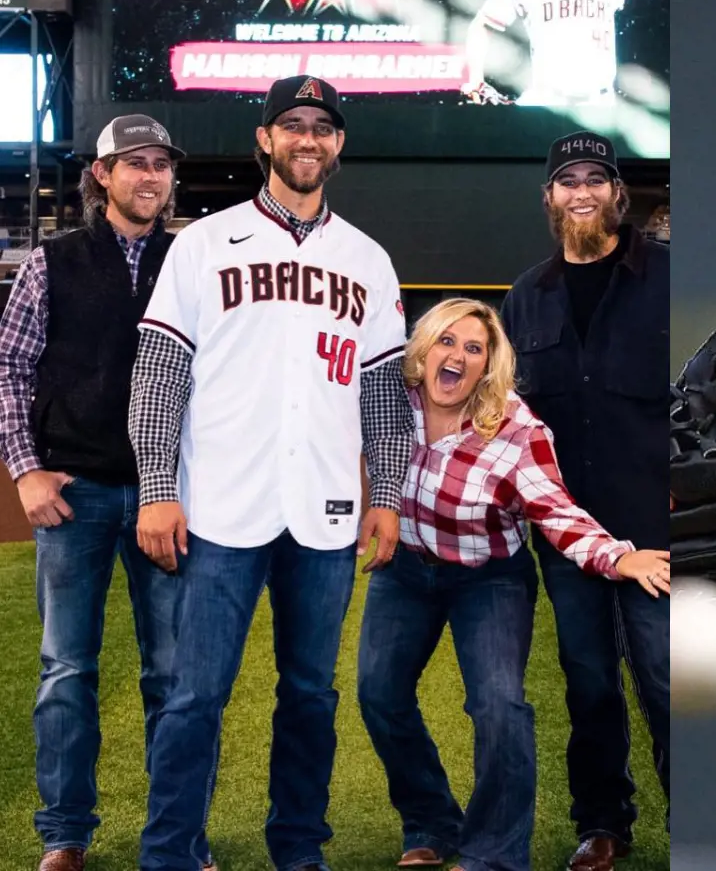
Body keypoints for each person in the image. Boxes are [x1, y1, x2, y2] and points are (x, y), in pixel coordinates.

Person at [129, 75, 415, 871]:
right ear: (265, 139)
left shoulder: (367, 259)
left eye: (322, 128)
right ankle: (170, 854)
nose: (307, 140)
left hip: (322, 514)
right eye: (291, 125)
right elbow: (158, 376)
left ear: (338, 145)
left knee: (311, 698)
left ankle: (298, 850)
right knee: (194, 699)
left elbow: (384, 398)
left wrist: (383, 498)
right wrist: (157, 488)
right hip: (219, 506)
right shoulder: (203, 243)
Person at [356, 297, 669, 871]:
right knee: (378, 693)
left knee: (499, 706)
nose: (457, 356)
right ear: (423, 348)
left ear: (488, 366)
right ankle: (430, 824)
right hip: (405, 571)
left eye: (474, 349)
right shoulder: (388, 403)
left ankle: (492, 856)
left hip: (487, 579)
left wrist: (619, 557)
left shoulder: (516, 429)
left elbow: (555, 511)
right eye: (447, 341)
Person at [0, 116, 216, 871]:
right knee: (66, 669)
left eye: (160, 163)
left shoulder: (193, 259)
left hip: (167, 498)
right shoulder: (52, 261)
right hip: (75, 494)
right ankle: (65, 834)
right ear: (102, 176)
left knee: (175, 677)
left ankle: (178, 834)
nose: (150, 177)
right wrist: (25, 468)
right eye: (134, 164)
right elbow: (12, 369)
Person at [500, 131, 669, 871]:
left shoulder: (670, 276)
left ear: (617, 195)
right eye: (566, 181)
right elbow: (499, 417)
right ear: (549, 199)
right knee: (590, 683)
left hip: (660, 531)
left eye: (595, 179)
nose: (581, 192)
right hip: (568, 540)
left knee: (667, 681)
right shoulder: (525, 297)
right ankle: (603, 824)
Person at [460, 0, 646, 106]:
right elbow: (481, 25)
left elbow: (480, 25)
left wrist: (476, 77)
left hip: (597, 104)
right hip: (547, 101)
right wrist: (475, 77)